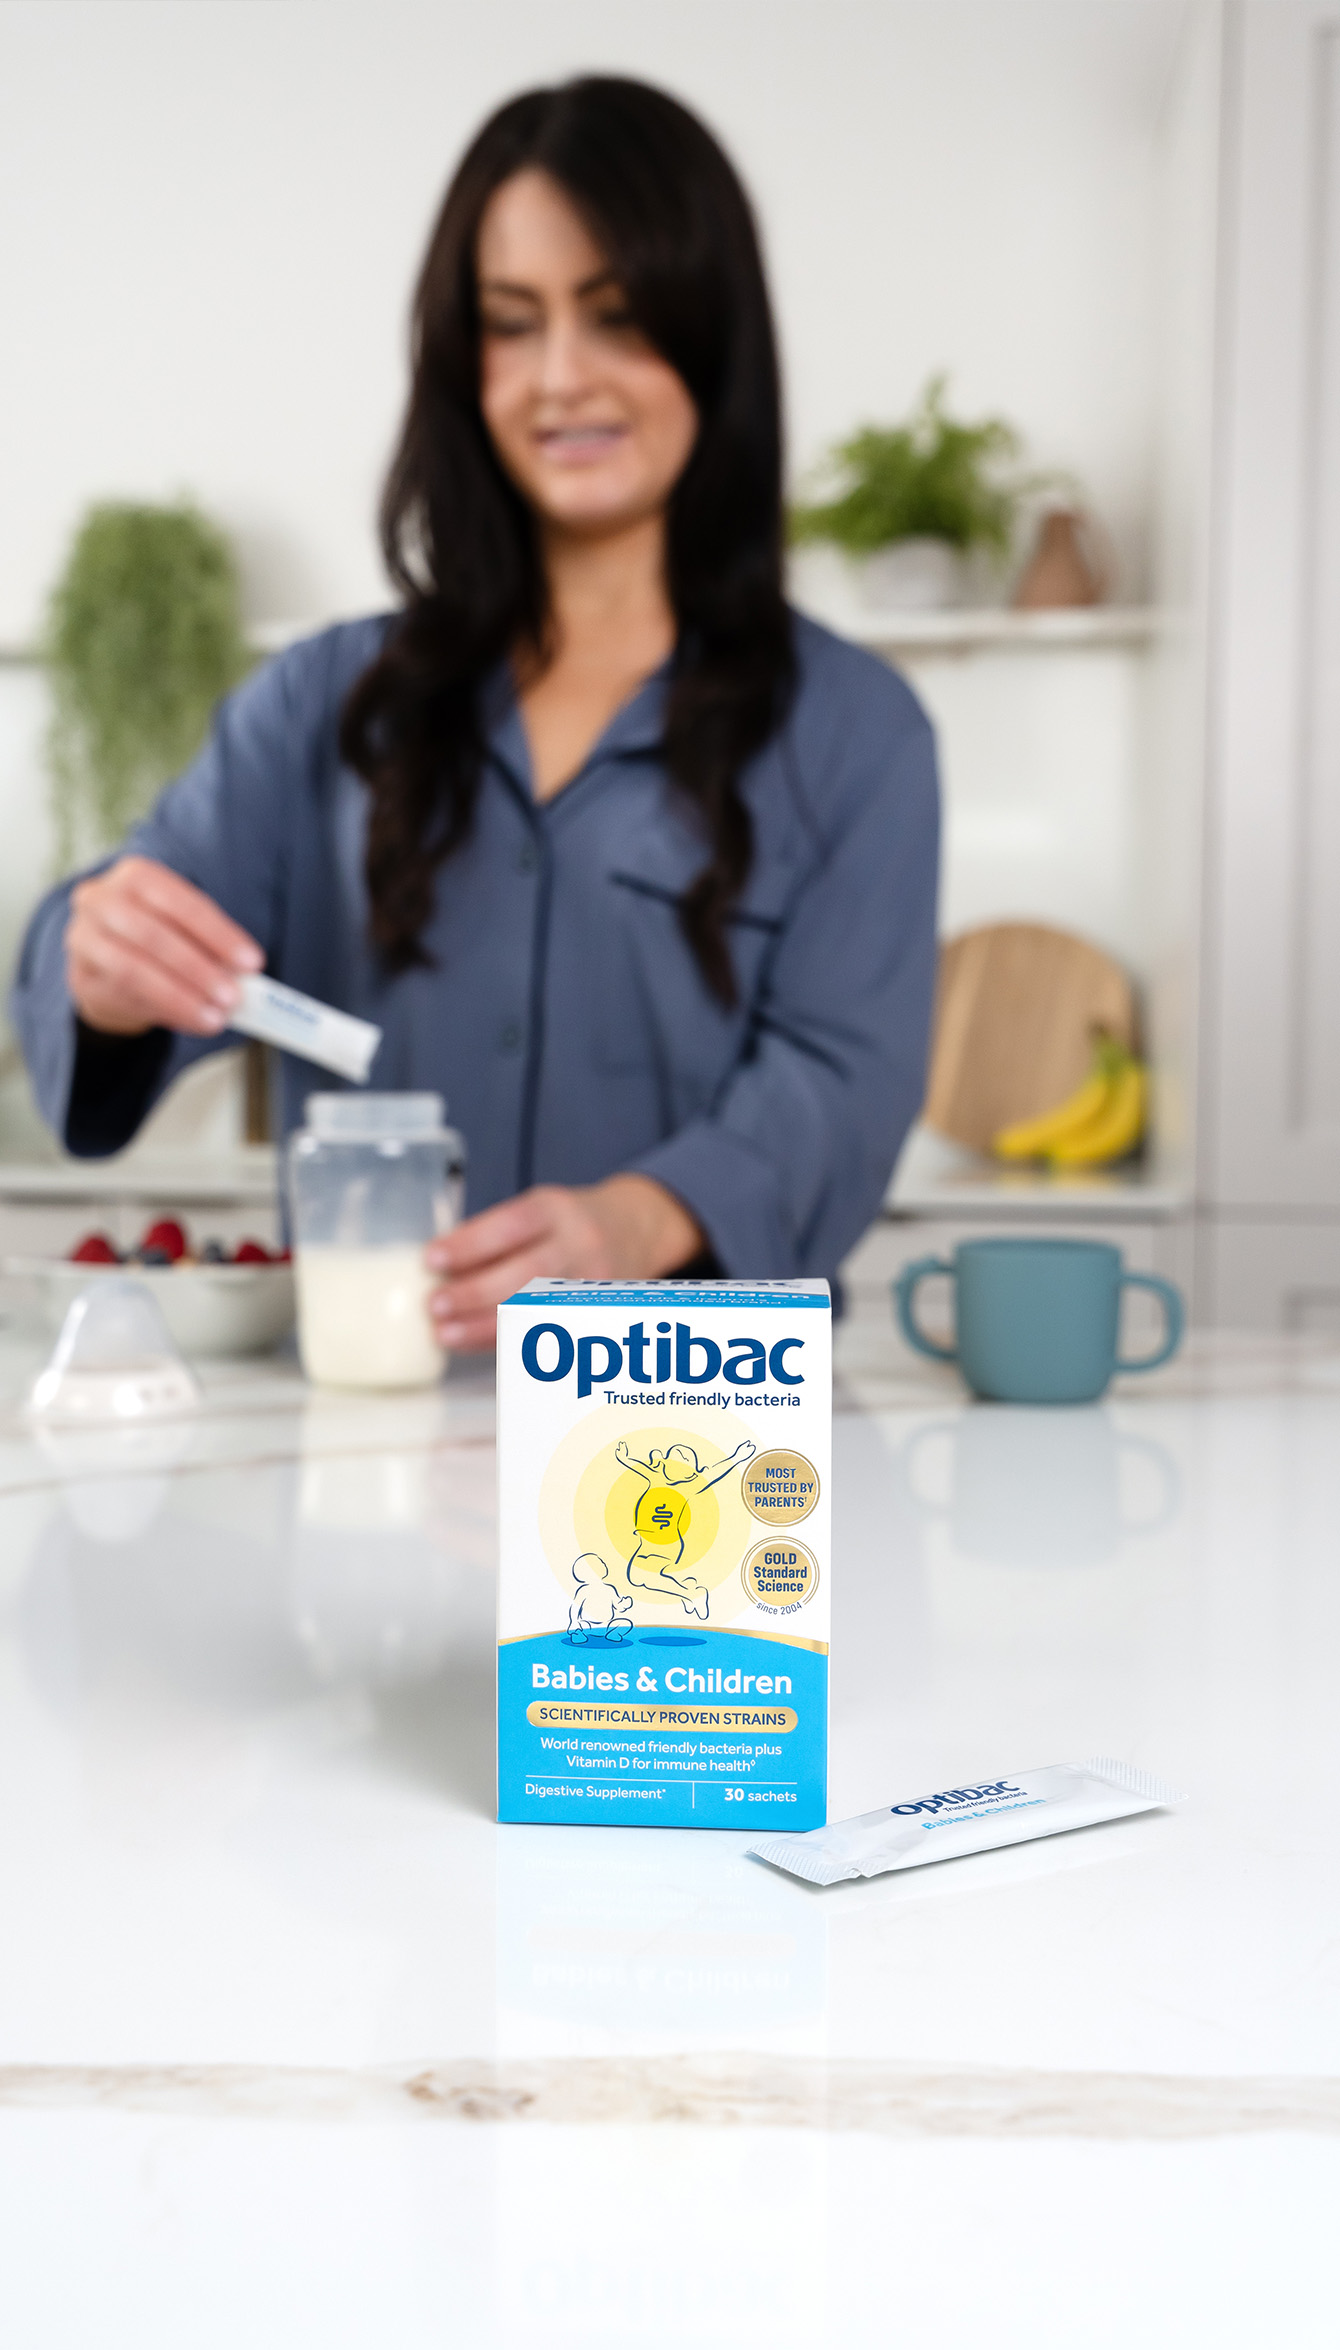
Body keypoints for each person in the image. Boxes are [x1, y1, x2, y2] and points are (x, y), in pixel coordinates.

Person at [12, 76, 939, 1353]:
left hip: (687, 1439)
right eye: (512, 323)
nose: (561, 376)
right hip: (371, 1424)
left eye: (615, 316)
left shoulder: (856, 732)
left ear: (710, 335)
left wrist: (637, 1218)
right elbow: (130, 919)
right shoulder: (320, 708)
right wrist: (97, 959)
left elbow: (846, 1076)